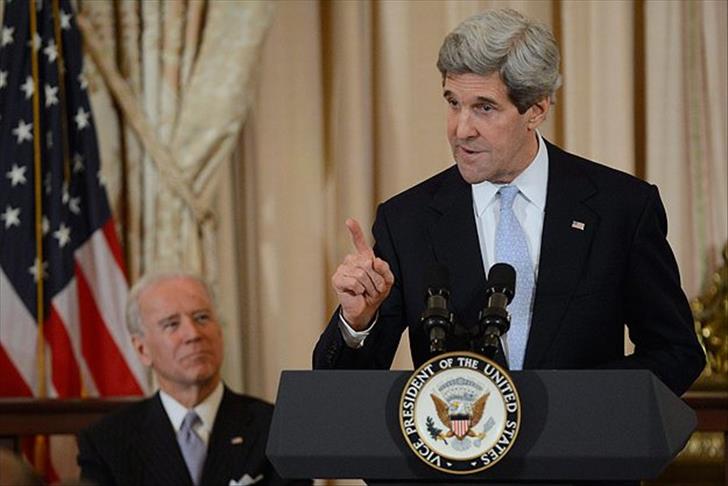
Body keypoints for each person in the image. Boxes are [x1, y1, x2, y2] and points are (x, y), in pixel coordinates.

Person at [313, 8, 705, 396]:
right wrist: (357, 322)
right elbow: (340, 390)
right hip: (458, 434)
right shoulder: (407, 222)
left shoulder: (621, 208)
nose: (461, 130)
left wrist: (581, 407)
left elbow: (676, 353)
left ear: (536, 109)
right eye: (453, 103)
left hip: (581, 437)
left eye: (484, 107)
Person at [77, 271, 306, 486]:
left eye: (202, 318)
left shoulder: (278, 430)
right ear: (142, 349)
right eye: (172, 324)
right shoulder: (106, 441)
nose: (193, 334)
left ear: (220, 331)